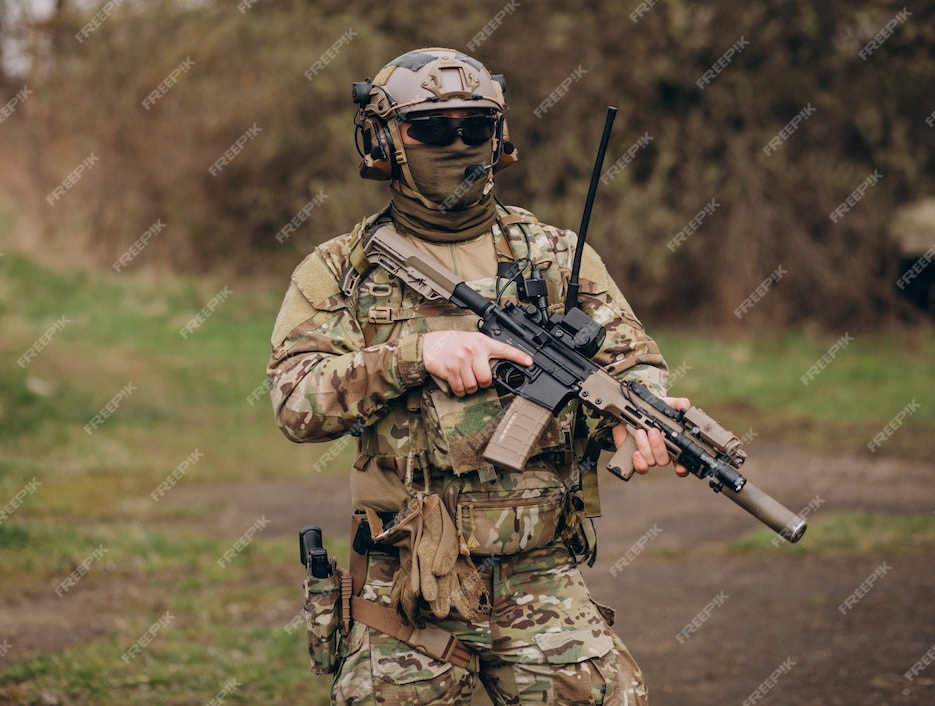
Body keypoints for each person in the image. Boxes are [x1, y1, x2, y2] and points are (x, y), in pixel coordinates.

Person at [268, 46, 690, 706]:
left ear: (501, 138)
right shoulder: (341, 270)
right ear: (382, 140)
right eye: (431, 128)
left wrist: (642, 414)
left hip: (541, 570)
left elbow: (633, 361)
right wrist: (414, 356)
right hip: (407, 578)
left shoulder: (554, 255)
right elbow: (295, 402)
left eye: (476, 126)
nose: (457, 142)